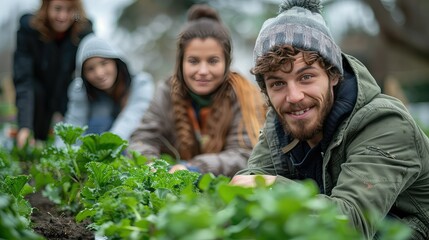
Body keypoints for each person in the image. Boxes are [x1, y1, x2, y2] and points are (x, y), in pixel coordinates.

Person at [229, 0, 429, 239]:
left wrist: (271, 185)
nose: (294, 97)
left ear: (333, 75)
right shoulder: (280, 124)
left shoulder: (386, 123)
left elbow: (352, 224)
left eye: (306, 77)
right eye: (278, 83)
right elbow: (250, 182)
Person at [128, 4, 266, 177]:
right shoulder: (166, 91)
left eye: (213, 61)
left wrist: (195, 168)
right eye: (193, 61)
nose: (202, 71)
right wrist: (151, 166)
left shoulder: (244, 94)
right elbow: (141, 140)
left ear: (226, 63)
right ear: (181, 63)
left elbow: (244, 154)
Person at [13, 0, 93, 148]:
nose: (62, 16)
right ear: (46, 7)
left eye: (69, 10)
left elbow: (86, 75)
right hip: (37, 98)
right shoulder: (29, 30)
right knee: (34, 143)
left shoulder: (84, 32)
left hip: (66, 94)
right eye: (57, 9)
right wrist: (25, 126)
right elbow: (24, 80)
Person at [56, 33, 154, 145]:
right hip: (100, 150)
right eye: (90, 69)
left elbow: (130, 119)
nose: (99, 73)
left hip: (134, 145)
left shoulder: (141, 83)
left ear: (116, 62)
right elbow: (74, 124)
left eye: (104, 63)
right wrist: (63, 154)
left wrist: (104, 149)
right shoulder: (81, 89)